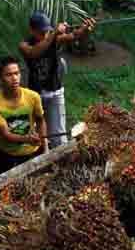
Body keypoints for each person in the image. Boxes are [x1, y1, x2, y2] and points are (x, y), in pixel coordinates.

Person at [19, 11, 95, 149]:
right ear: (31, 30)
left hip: (55, 93)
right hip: (35, 95)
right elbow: (34, 52)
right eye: (41, 32)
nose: (44, 35)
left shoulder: (54, 38)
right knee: (35, 136)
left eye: (47, 31)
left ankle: (60, 159)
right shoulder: (25, 45)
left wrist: (84, 29)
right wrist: (54, 34)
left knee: (59, 137)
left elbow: (73, 36)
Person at [0, 56, 47, 177]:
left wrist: (45, 146)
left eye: (17, 73)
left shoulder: (33, 96)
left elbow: (40, 121)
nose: (14, 78)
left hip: (31, 152)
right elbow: (6, 134)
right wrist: (27, 139)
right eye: (8, 75)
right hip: (5, 154)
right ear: (0, 78)